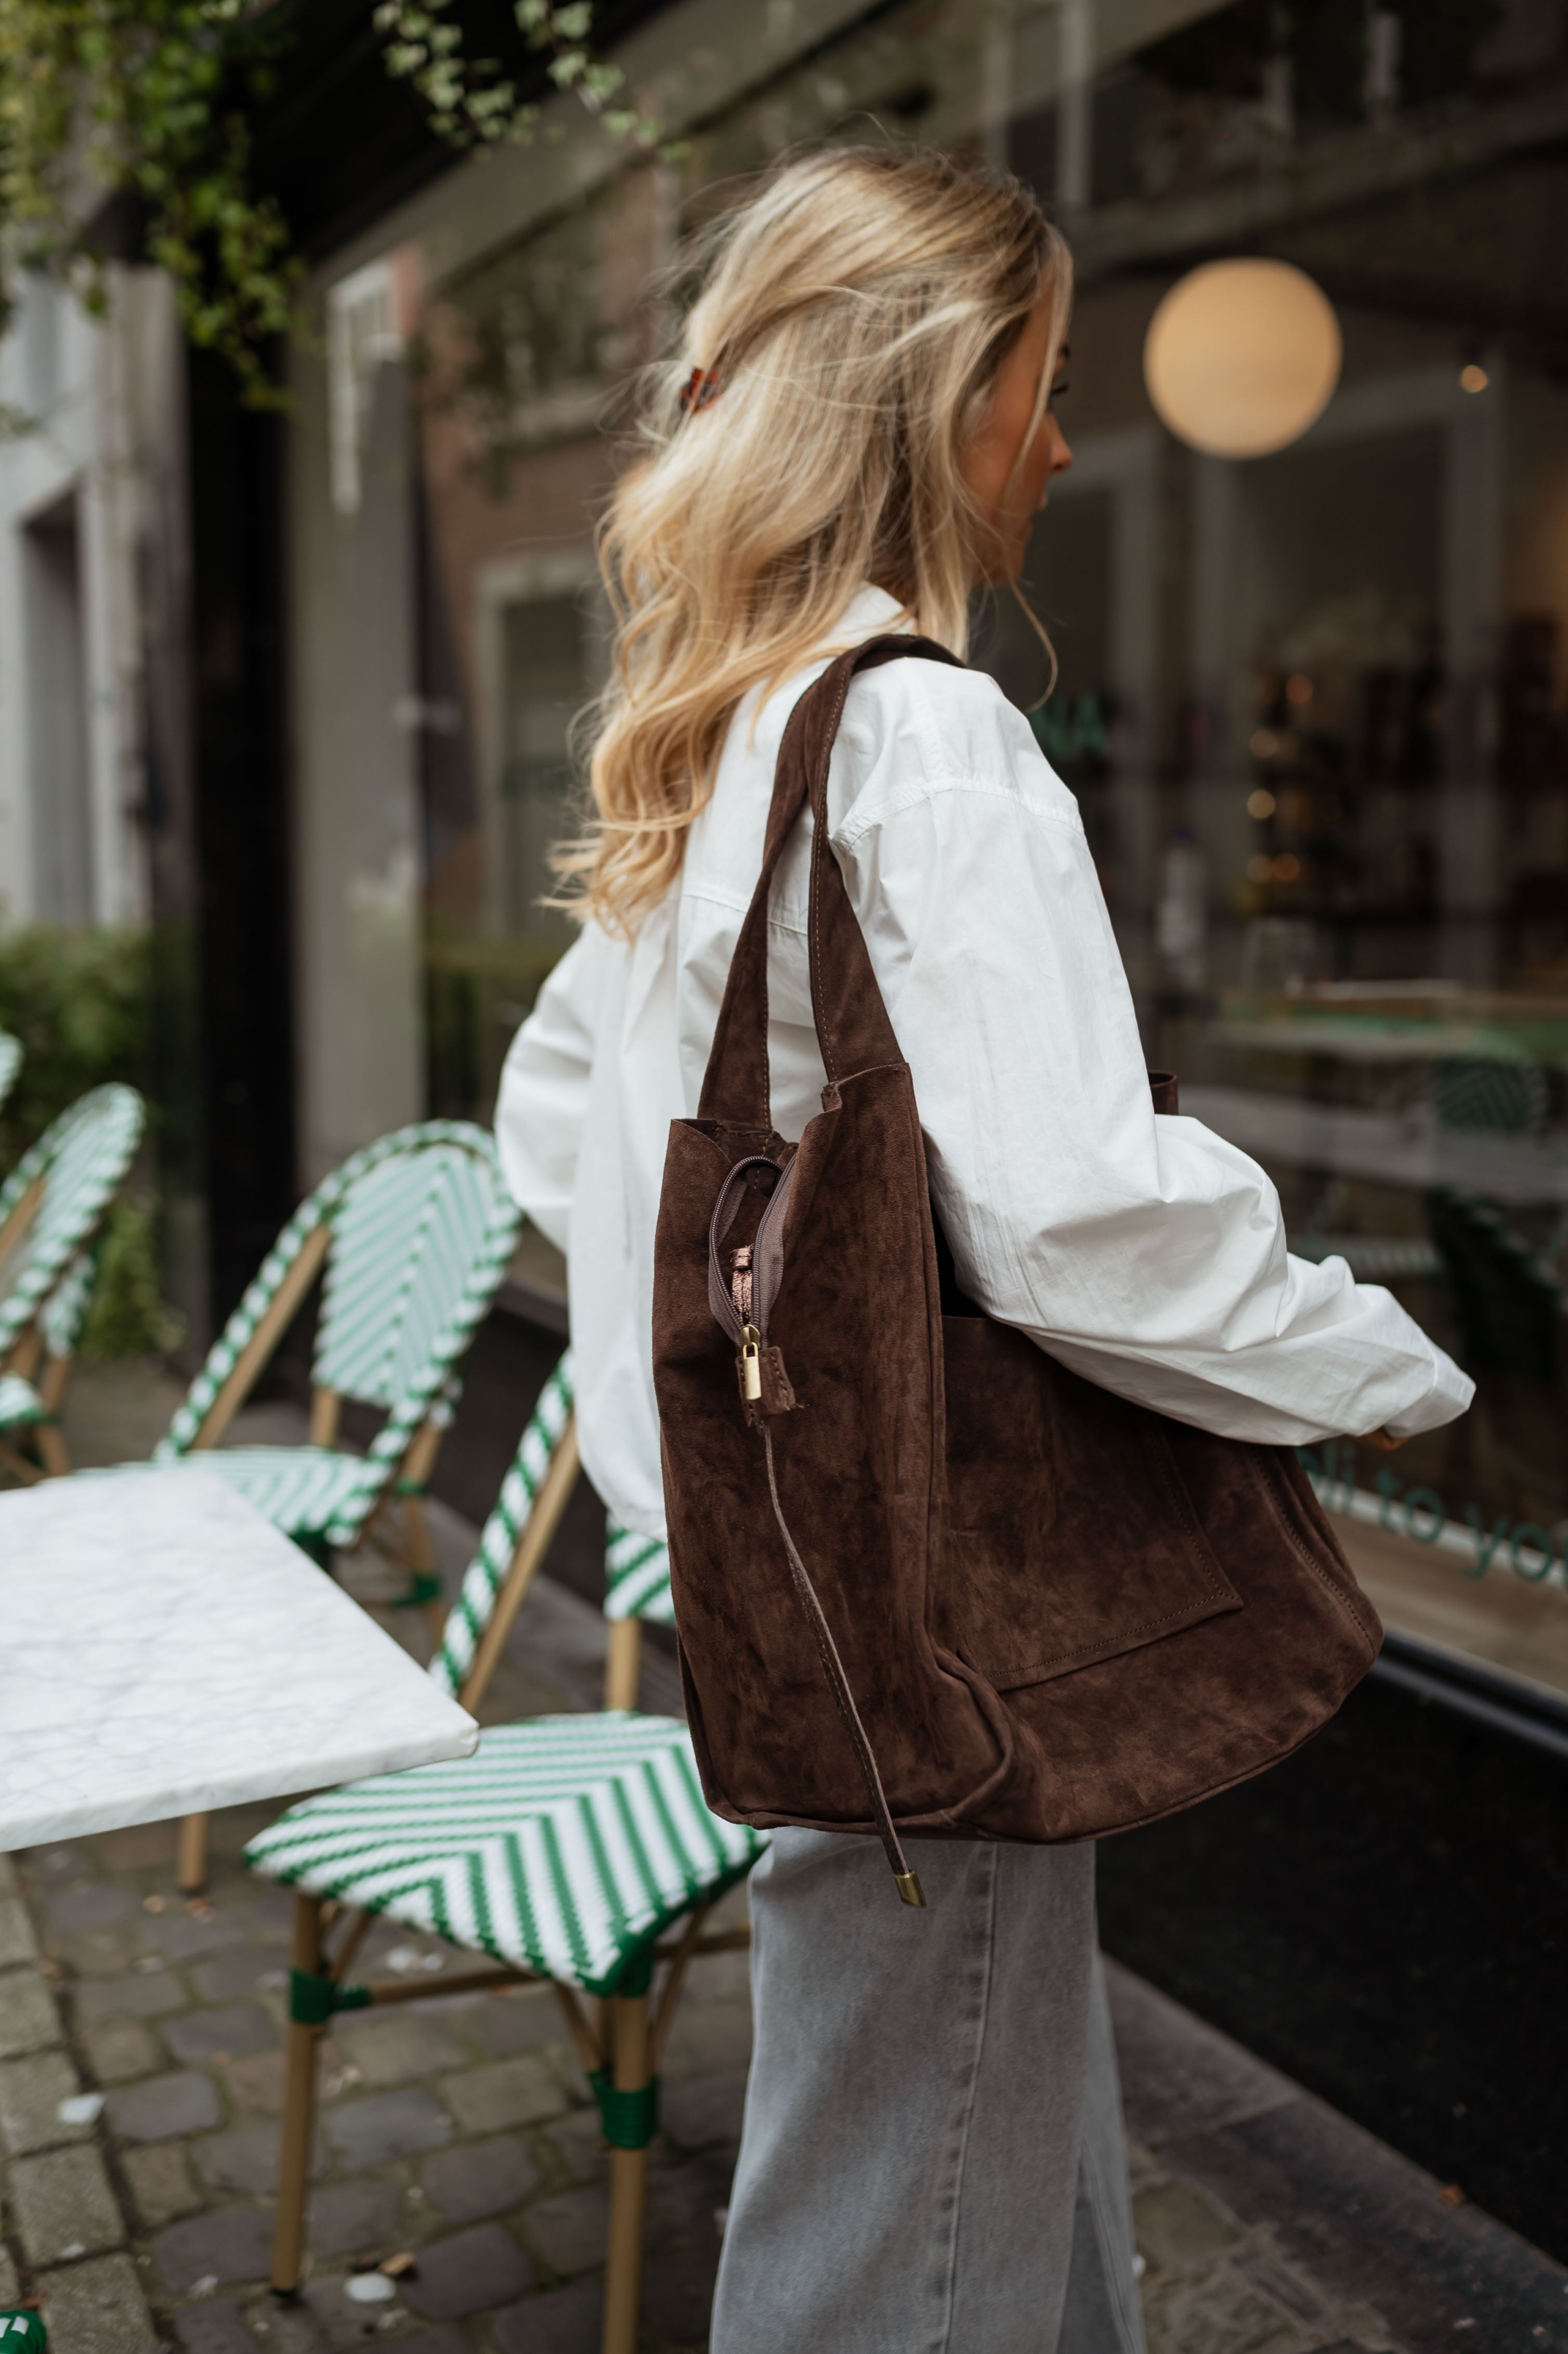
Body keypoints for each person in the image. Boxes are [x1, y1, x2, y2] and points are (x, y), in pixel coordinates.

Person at [495, 147, 1472, 2354]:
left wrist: (694, 1490)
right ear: (936, 401)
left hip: (813, 1576)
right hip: (921, 1581)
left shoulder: (723, 718)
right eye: (1039, 381)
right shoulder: (921, 733)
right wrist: (1381, 1360)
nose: (1057, 437)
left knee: (971, 2091)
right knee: (893, 2186)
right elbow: (1079, 1225)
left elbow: (564, 1120)